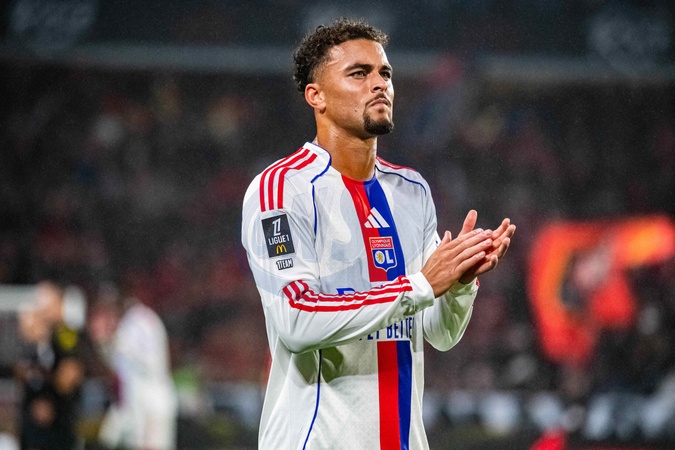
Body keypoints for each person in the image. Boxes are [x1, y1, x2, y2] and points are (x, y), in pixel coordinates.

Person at [241, 18, 516, 449]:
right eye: (358, 73)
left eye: (385, 73)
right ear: (316, 96)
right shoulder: (280, 191)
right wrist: (420, 285)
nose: (379, 84)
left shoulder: (412, 191)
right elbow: (296, 319)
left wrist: (459, 284)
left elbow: (440, 334)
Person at [90, 284, 178, 450]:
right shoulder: (126, 324)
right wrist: (104, 343)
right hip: (134, 402)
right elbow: (119, 368)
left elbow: (150, 362)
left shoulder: (141, 320)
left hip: (151, 402)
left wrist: (116, 341)